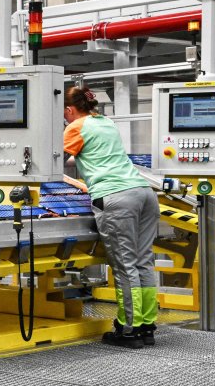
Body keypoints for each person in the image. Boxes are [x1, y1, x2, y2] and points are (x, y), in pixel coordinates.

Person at [63, 84, 159, 348]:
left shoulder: (75, 127)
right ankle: (146, 326)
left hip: (116, 197)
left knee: (125, 265)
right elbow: (92, 155)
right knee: (143, 261)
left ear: (70, 110)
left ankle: (128, 330)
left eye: (65, 113)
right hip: (143, 192)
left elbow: (54, 159)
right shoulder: (104, 122)